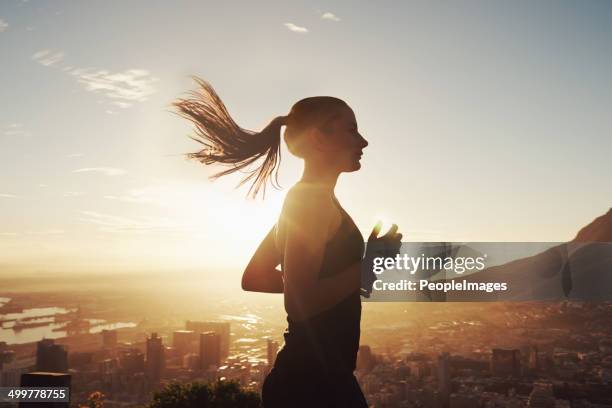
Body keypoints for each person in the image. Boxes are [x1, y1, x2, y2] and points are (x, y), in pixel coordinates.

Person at [174, 78, 402, 407]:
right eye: (351, 130)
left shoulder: (306, 202)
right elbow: (300, 303)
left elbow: (256, 276)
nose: (363, 141)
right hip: (314, 385)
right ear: (317, 138)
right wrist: (366, 266)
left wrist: (352, 272)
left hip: (312, 379)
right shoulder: (309, 204)